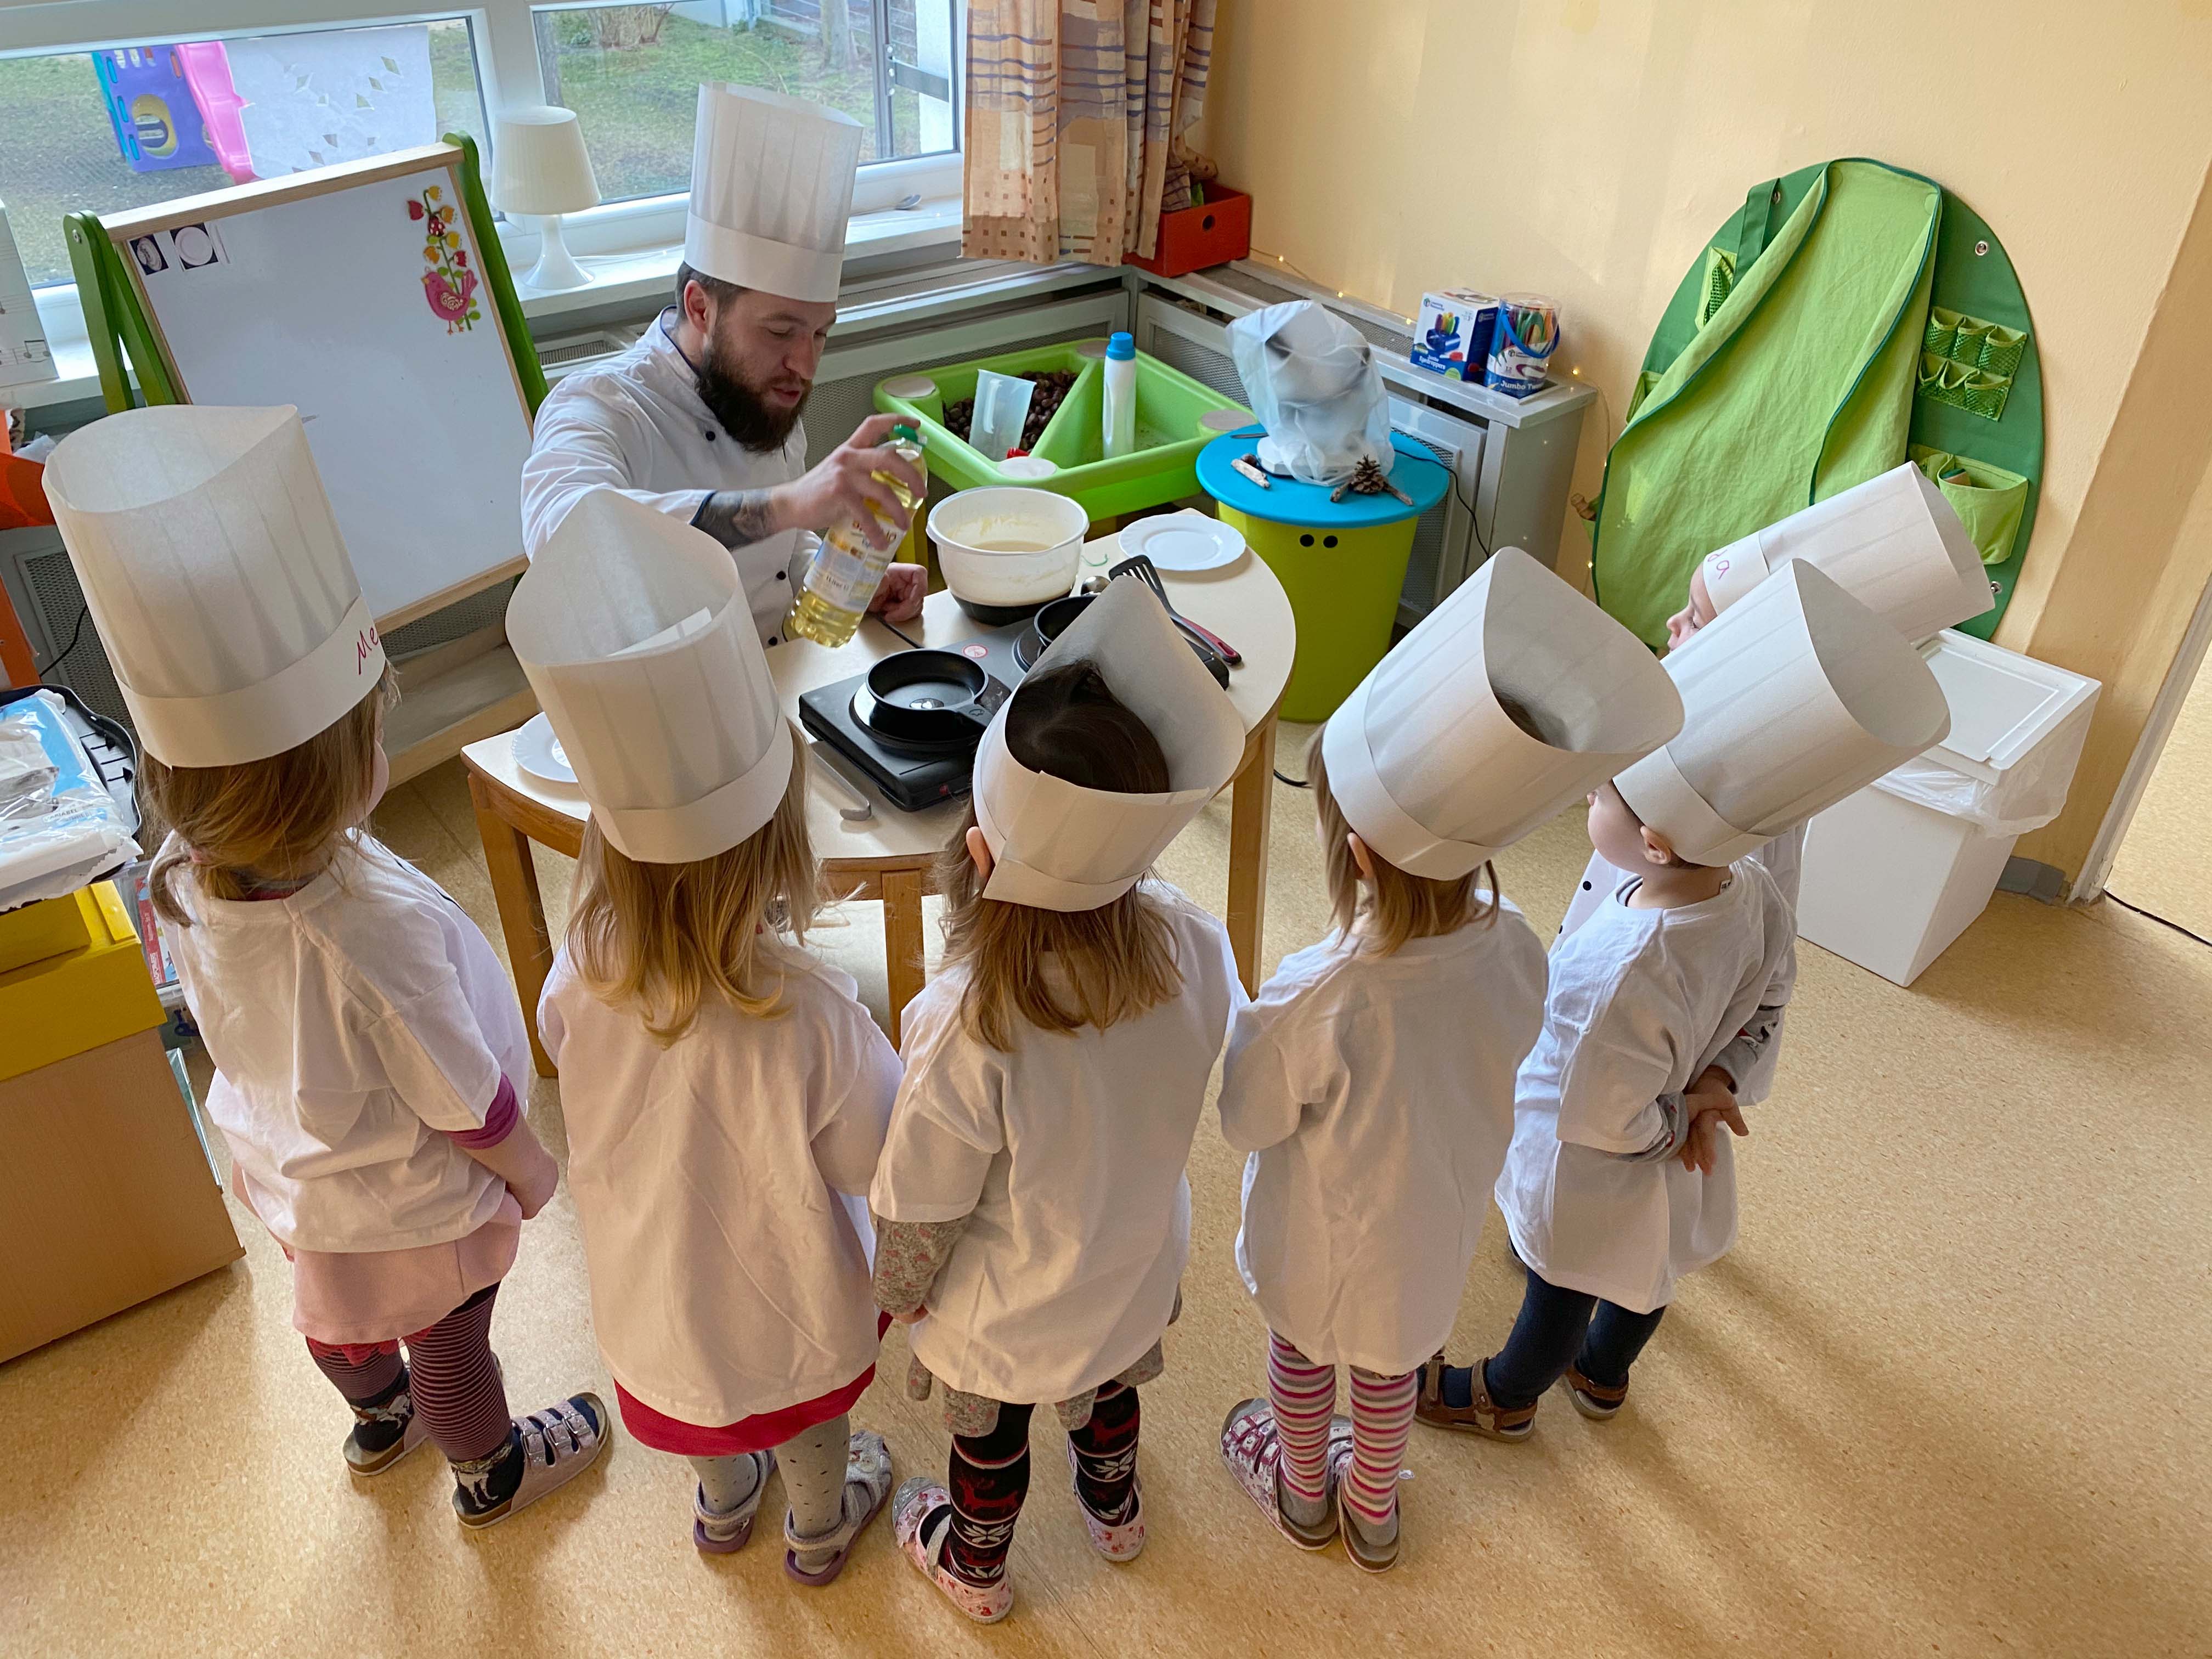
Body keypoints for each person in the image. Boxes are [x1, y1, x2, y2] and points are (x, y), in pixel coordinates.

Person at [45, 406, 606, 1528]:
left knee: (338, 1317)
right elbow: (457, 1092)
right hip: (408, 1187)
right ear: (345, 773)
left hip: (292, 1164)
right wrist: (532, 1170)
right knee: (453, 1327)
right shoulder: (369, 924)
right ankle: (488, 1466)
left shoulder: (180, 870)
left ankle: (378, 1415)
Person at [1215, 549, 1681, 1571]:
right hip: (1428, 1228)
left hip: (1317, 1231)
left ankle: (1302, 1492)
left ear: (1357, 855)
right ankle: (1373, 1509)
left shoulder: (1316, 988)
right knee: (1389, 1367)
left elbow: (1246, 1118)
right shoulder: (1514, 937)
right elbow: (1513, 1040)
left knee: (1301, 1353)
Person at [1419, 562, 1950, 1436]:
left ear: (1655, 844)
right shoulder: (1751, 892)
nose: (1590, 800)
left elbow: (1597, 1114)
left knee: (1566, 1280)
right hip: (1683, 1133)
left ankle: (1505, 1398)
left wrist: (1671, 1122)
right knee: (1647, 1269)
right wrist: (1718, 1089)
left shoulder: (1619, 976)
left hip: (1597, 1155)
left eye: (1600, 795)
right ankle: (1604, 1378)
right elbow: (1771, 1002)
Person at [511, 490, 901, 1577]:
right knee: (804, 1411)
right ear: (781, 849)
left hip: (655, 1301)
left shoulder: (581, 978)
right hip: (787, 1300)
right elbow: (872, 1160)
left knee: (708, 1420)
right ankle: (819, 1525)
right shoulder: (815, 1012)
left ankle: (727, 1508)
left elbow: (557, 1041)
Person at [867, 579, 1248, 1624]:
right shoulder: (1195, 945)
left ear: (978, 852)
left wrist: (897, 1292)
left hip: (1007, 1299)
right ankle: (1114, 1506)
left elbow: (921, 1196)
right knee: (1107, 1391)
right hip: (1129, 1259)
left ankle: (975, 1566)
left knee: (988, 1439)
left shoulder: (970, 1017)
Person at [1558, 461, 1992, 1106]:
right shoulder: (1681, 758)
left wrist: (1722, 1073)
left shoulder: (1744, 821)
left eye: (1698, 619)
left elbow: (1762, 972)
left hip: (1640, 1069)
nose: (1674, 625)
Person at [521, 83, 924, 647]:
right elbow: (567, 532)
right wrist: (790, 503)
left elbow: (775, 560)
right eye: (781, 331)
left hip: (780, 679)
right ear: (701, 308)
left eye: (819, 334)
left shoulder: (765, 390)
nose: (804, 364)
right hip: (660, 706)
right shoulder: (598, 406)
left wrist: (843, 576)